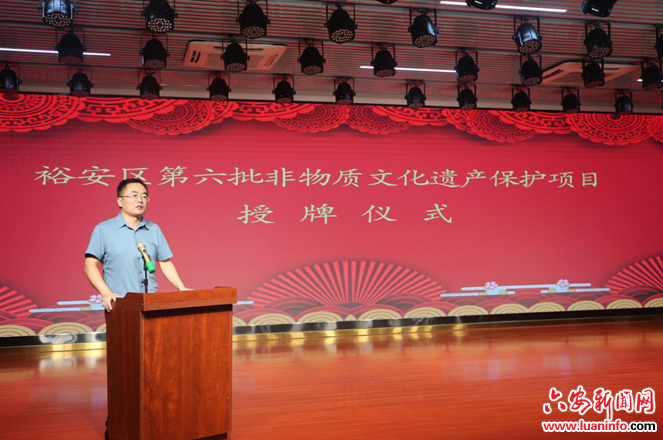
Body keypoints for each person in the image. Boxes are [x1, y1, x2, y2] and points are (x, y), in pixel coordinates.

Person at [84, 178, 189, 312]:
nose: (140, 200)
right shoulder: (104, 229)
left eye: (144, 196)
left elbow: (165, 262)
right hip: (119, 303)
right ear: (120, 201)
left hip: (151, 304)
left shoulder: (153, 229)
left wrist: (181, 287)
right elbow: (89, 265)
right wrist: (105, 292)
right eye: (134, 195)